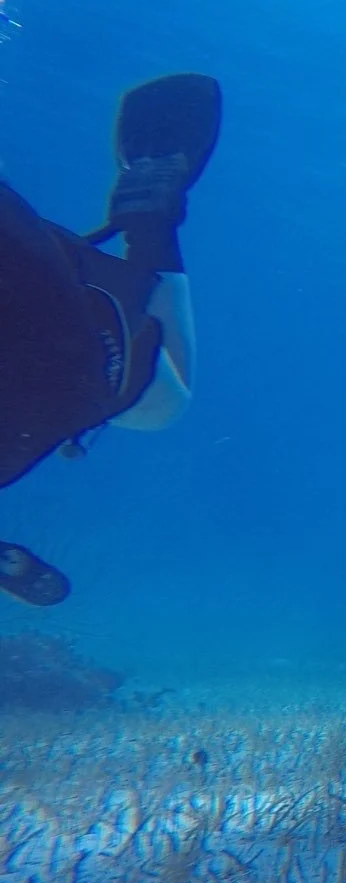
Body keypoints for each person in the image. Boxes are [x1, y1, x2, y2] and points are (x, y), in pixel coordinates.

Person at [0, 75, 222, 606]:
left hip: (64, 355)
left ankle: (150, 216)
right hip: (57, 321)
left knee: (161, 401)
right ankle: (150, 217)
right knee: (158, 400)